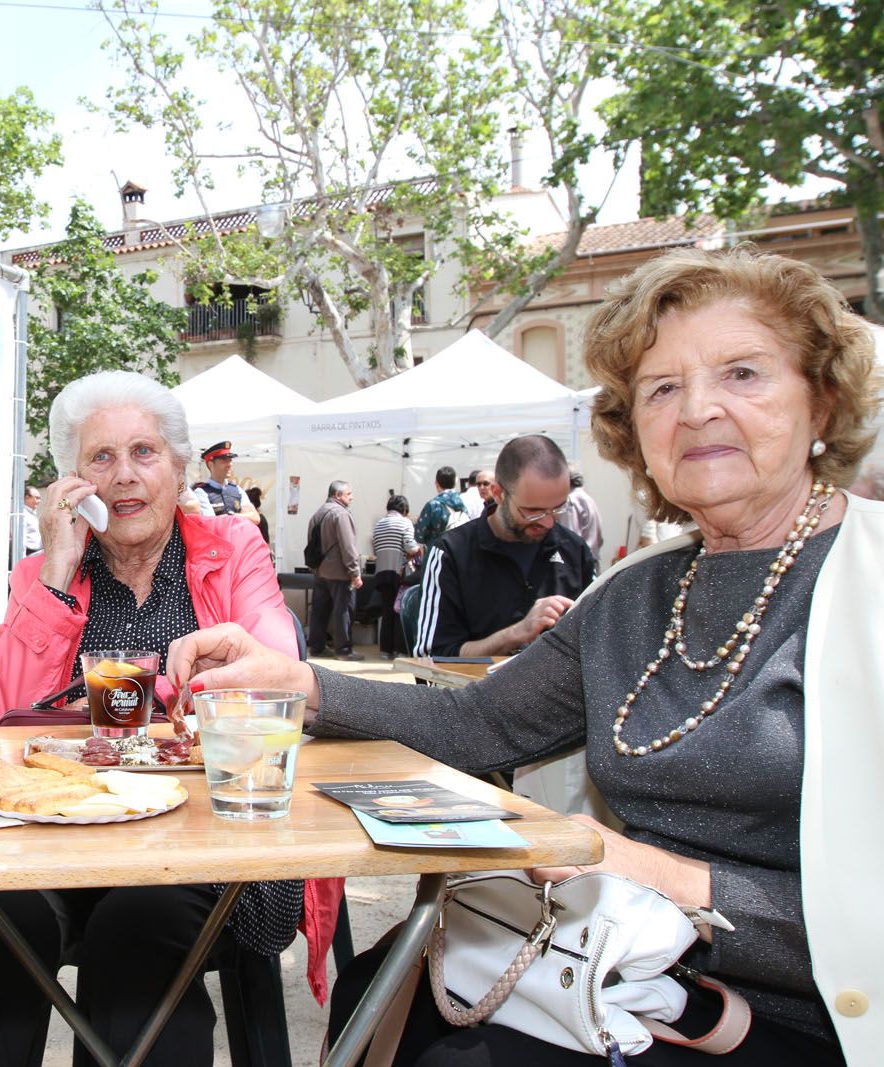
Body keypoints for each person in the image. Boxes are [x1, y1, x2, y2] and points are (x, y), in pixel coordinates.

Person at [164, 248, 880, 1066]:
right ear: (634, 429)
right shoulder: (634, 592)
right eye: (663, 388)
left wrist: (677, 881)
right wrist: (300, 680)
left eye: (743, 374)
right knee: (382, 984)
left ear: (822, 400)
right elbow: (477, 724)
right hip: (607, 966)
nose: (699, 410)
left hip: (803, 1014)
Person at [0, 370, 340, 1066]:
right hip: (56, 842)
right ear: (74, 481)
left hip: (198, 847)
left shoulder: (231, 550)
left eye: (144, 452)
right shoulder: (43, 572)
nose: (124, 476)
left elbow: (276, 682)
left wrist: (172, 699)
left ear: (180, 465)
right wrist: (57, 579)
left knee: (138, 925)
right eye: (101, 458)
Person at [412, 435, 597, 658]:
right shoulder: (451, 553)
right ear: (498, 494)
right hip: (476, 691)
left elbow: (597, 642)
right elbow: (431, 656)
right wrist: (517, 633)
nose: (548, 522)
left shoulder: (574, 550)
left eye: (558, 509)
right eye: (533, 511)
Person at [306, 480, 364, 660]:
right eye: (348, 494)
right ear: (337, 495)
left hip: (320, 571)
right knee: (344, 610)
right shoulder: (341, 514)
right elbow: (348, 546)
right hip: (339, 572)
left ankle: (316, 647)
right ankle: (343, 650)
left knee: (319, 610)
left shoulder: (317, 513)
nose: (351, 497)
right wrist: (354, 571)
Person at [371, 495, 422, 659]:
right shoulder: (404, 522)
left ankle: (386, 650)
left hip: (381, 572)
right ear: (404, 510)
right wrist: (420, 548)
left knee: (387, 611)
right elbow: (410, 547)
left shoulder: (379, 524)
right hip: (398, 573)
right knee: (400, 610)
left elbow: (375, 548)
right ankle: (400, 650)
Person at [191, 440, 262, 525]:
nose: (229, 464)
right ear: (210, 465)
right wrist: (241, 517)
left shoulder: (237, 490)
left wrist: (232, 517)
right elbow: (212, 524)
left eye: (230, 460)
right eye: (224, 460)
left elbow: (255, 518)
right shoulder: (201, 492)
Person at [556, 466, 605, 560]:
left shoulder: (570, 501)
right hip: (591, 558)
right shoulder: (587, 498)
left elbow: (569, 537)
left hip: (579, 561)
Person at [413, 465, 467, 546]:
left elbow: (419, 535)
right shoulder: (463, 501)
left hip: (438, 551)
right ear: (455, 483)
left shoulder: (433, 505)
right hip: (459, 551)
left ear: (437, 483)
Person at [21, 484, 44, 555]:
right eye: (36, 498)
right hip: (28, 553)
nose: (39, 501)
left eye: (39, 498)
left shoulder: (31, 514)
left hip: (36, 552)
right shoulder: (23, 514)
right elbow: (21, 539)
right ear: (27, 498)